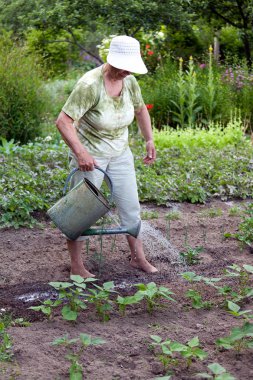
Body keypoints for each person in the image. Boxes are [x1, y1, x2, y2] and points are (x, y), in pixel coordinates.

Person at [55, 35, 158, 278]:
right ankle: (77, 268)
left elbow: (141, 109)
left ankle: (138, 258)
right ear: (112, 61)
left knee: (131, 209)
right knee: (79, 213)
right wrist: (81, 153)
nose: (127, 72)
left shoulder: (130, 82)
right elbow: (63, 121)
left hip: (120, 154)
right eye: (124, 67)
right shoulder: (90, 85)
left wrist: (149, 139)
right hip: (92, 156)